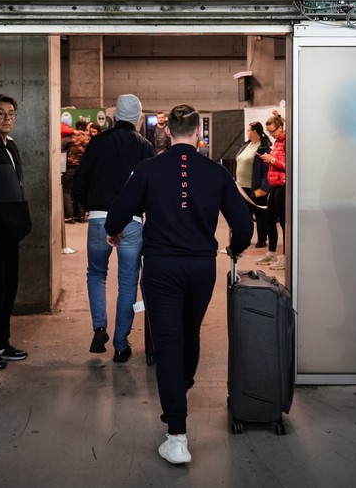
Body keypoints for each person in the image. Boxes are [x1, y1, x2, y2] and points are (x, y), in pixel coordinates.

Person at [104, 103, 253, 465]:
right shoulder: (215, 172)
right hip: (202, 268)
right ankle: (180, 388)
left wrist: (113, 232)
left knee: (168, 341)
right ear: (199, 133)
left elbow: (117, 215)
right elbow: (244, 224)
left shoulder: (148, 169)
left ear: (167, 131)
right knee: (191, 332)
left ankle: (176, 434)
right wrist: (234, 247)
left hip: (162, 268)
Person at [72, 94, 154, 362]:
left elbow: (79, 183)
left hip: (98, 219)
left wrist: (93, 207)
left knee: (96, 273)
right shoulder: (144, 145)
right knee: (128, 282)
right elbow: (150, 191)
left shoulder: (97, 142)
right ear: (139, 118)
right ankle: (121, 344)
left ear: (114, 116)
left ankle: (99, 327)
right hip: (132, 222)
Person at [0, 94, 32, 370]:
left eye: (11, 114)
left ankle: (2, 342)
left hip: (12, 230)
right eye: (0, 113)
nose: (6, 119)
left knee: (9, 288)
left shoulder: (10, 145)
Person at [256, 110, 286, 270]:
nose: (271, 134)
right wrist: (268, 160)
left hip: (283, 186)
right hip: (275, 186)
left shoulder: (288, 142)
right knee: (269, 220)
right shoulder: (277, 143)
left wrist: (272, 160)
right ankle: (272, 252)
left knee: (284, 223)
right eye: (269, 132)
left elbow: (289, 166)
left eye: (272, 131)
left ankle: (286, 257)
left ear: (281, 127)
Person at [235, 121, 272, 248]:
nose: (247, 133)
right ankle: (247, 237)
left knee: (260, 214)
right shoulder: (245, 145)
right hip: (241, 186)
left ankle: (262, 239)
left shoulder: (263, 148)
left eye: (249, 130)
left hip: (255, 187)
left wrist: (264, 188)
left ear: (255, 132)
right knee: (245, 214)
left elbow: (266, 170)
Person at [64, 120, 90, 223]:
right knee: (81, 190)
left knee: (67, 191)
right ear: (85, 127)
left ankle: (70, 216)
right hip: (83, 169)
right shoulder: (88, 139)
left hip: (70, 168)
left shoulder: (70, 138)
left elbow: (60, 148)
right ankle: (81, 216)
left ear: (76, 126)